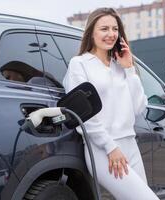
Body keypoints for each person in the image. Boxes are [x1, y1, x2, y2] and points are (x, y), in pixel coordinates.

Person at [63, 7, 160, 200]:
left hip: (130, 144)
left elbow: (139, 108)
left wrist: (130, 69)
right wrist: (110, 148)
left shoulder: (121, 66)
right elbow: (83, 114)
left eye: (115, 29)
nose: (111, 34)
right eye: (104, 29)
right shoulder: (79, 64)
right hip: (103, 149)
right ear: (91, 33)